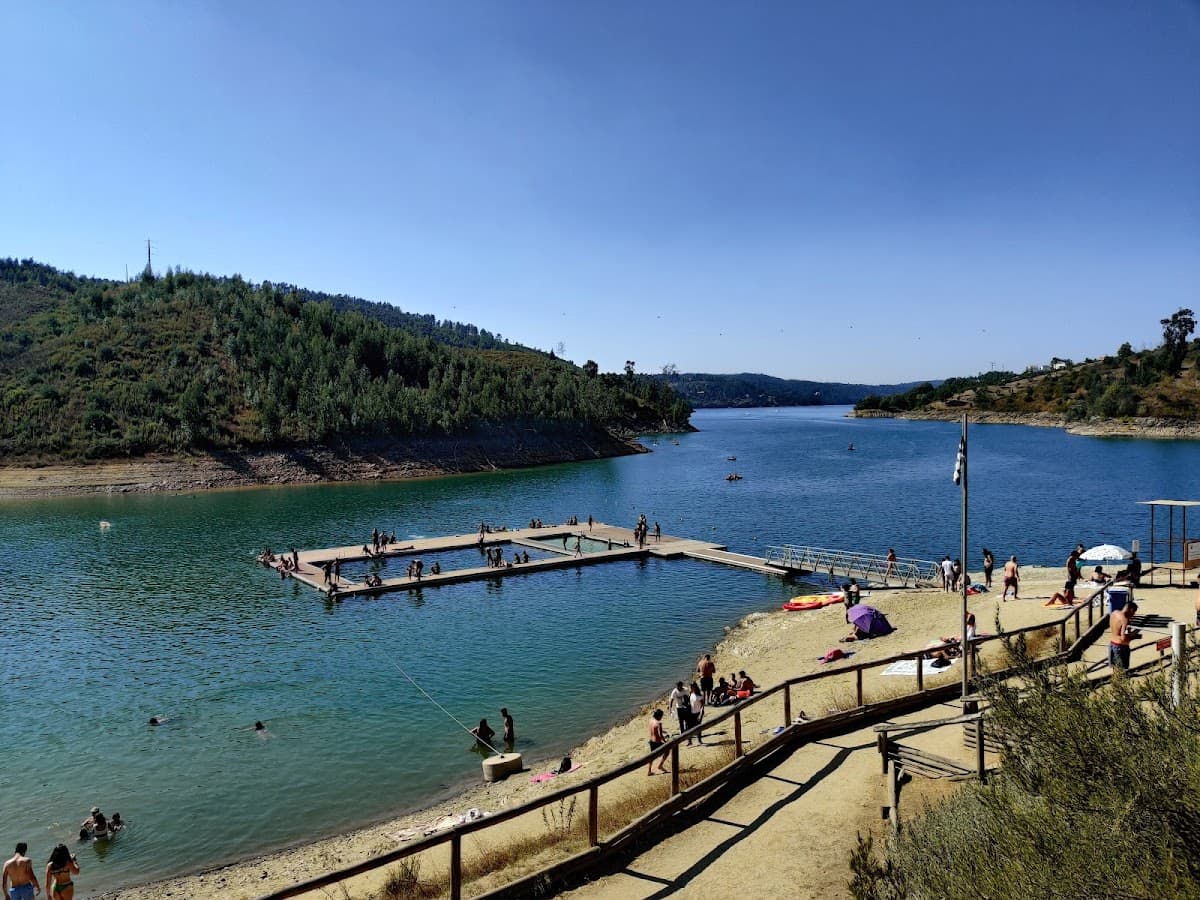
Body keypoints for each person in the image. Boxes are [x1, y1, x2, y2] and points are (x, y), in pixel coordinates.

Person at [1109, 599, 1139, 670]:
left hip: (1112, 643)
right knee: (1122, 670)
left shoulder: (1114, 613)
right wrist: (1134, 637)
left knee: (1115, 669)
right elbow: (1123, 638)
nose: (1133, 615)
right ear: (1131, 610)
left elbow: (1115, 629)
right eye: (1134, 612)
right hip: (1121, 647)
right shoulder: (1125, 620)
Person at [647, 709, 669, 775]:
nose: (661, 718)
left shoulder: (651, 720)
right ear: (659, 716)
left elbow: (654, 729)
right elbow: (660, 735)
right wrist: (665, 741)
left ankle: (649, 771)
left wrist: (663, 731)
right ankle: (660, 765)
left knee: (652, 757)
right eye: (661, 716)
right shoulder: (659, 723)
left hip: (651, 741)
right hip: (657, 742)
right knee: (667, 751)